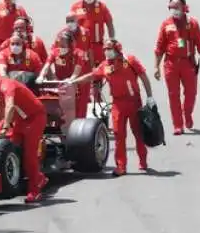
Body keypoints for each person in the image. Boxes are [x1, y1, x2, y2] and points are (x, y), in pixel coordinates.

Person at [66, 39, 155, 176]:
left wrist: (150, 97)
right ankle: (121, 166)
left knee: (138, 133)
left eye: (109, 49)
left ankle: (143, 161)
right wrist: (74, 81)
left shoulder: (130, 60)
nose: (107, 52)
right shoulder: (104, 66)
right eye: (105, 49)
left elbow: (143, 76)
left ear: (117, 49)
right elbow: (91, 76)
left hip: (134, 102)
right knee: (119, 135)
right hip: (118, 104)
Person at [0, 67, 49, 204]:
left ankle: (34, 191)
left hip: (35, 118)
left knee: (30, 155)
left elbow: (9, 107)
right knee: (13, 148)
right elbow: (0, 110)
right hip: (22, 120)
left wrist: (5, 127)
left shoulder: (6, 85)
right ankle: (39, 177)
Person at [153, 0, 200, 135]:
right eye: (171, 8)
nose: (174, 11)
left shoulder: (192, 24)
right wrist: (156, 67)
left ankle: (188, 114)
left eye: (176, 7)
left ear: (184, 8)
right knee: (173, 95)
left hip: (188, 63)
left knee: (191, 93)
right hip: (171, 63)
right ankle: (178, 125)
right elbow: (159, 47)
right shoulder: (166, 24)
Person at [39, 31, 87, 117]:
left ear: (70, 44)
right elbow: (47, 65)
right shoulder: (55, 52)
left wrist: (71, 79)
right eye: (59, 44)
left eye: (63, 44)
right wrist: (41, 76)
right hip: (60, 83)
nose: (61, 46)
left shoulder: (79, 53)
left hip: (76, 84)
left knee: (78, 111)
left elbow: (77, 69)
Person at [69, 0, 115, 66]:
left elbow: (110, 24)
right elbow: (71, 25)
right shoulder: (75, 7)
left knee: (99, 68)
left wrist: (111, 39)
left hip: (97, 45)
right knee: (81, 67)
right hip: (81, 45)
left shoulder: (102, 7)